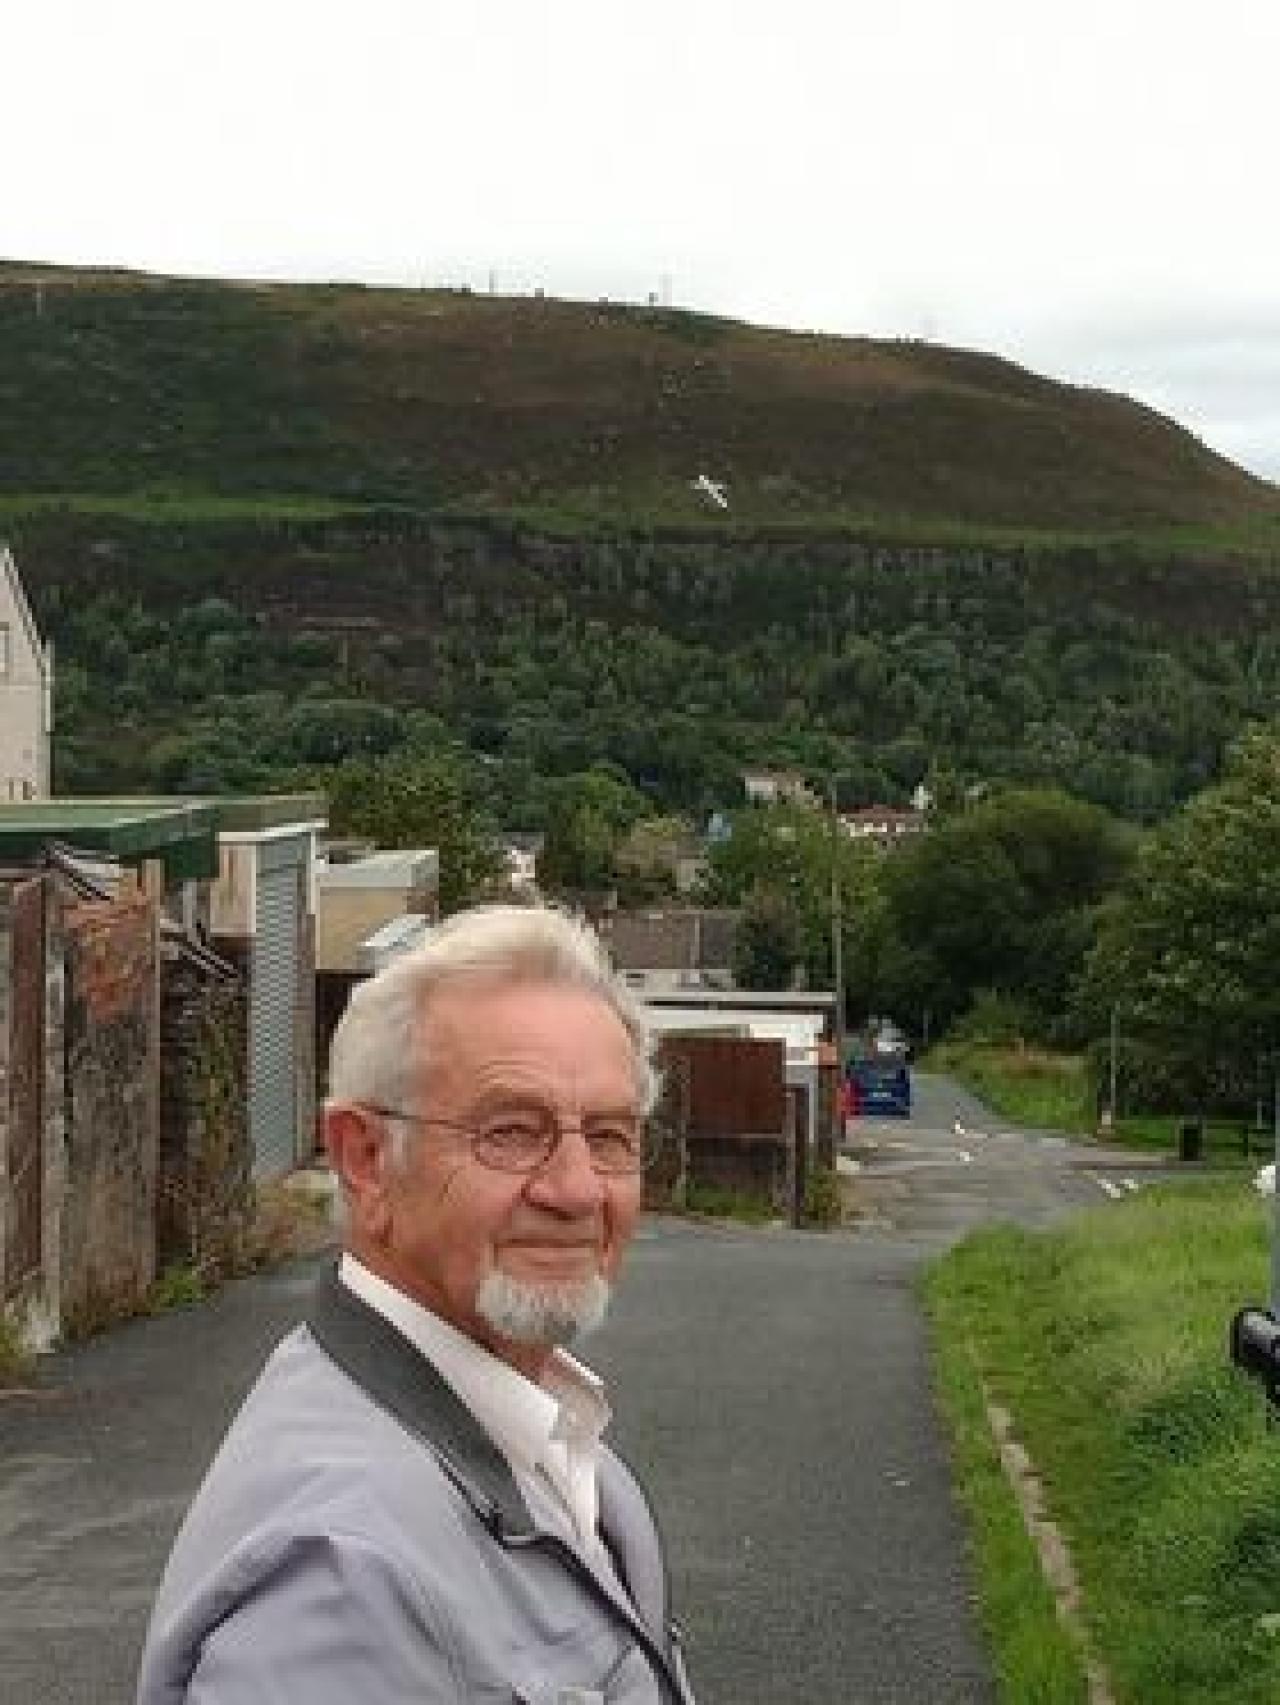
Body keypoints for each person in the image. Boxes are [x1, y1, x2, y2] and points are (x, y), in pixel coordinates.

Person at [136, 902, 695, 1704]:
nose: (577, 1190)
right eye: (512, 1130)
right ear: (365, 1159)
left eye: (609, 1135)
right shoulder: (342, 1582)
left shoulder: (555, 1442)